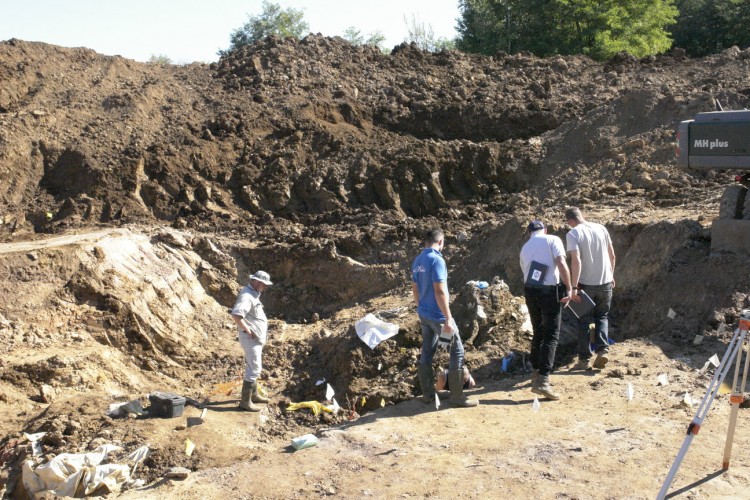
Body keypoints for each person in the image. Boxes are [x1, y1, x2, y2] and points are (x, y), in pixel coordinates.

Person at [412, 228, 477, 408]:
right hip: (438, 315)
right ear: (441, 242)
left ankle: (428, 394)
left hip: (425, 314)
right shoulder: (437, 260)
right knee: (457, 350)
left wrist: (420, 307)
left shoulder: (418, 260)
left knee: (427, 350)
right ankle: (457, 396)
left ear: (426, 242)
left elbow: (415, 288)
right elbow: (440, 290)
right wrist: (448, 317)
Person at [520, 220, 573, 400]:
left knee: (538, 332)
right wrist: (569, 287)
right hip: (549, 291)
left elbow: (525, 273)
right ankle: (543, 381)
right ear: (545, 229)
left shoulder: (525, 248)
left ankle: (536, 372)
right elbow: (561, 263)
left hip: (530, 290)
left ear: (529, 233)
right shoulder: (553, 240)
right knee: (552, 334)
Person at [564, 207, 616, 370]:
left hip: (585, 285)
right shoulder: (601, 228)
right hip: (606, 282)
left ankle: (584, 360)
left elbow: (576, 261)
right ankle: (603, 351)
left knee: (584, 321)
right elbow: (612, 256)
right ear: (582, 216)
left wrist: (573, 286)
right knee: (602, 317)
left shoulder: (573, 234)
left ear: (570, 221)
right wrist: (611, 275)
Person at [231, 270, 274, 412]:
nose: (265, 287)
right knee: (254, 369)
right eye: (263, 284)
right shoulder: (247, 297)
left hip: (255, 339)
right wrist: (248, 330)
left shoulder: (253, 294)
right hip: (250, 339)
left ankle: (254, 395)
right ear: (255, 282)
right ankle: (245, 402)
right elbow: (237, 315)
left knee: (254, 368)